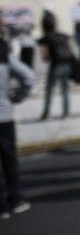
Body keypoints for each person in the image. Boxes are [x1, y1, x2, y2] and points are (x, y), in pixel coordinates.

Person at [0, 34, 34, 219]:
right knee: (9, 159)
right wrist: (16, 97)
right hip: (4, 113)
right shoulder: (4, 53)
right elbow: (28, 76)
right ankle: (16, 198)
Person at [37, 11, 76, 120]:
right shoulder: (63, 35)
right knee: (65, 90)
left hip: (55, 65)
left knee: (49, 90)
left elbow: (45, 56)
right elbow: (70, 49)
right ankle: (66, 112)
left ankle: (46, 113)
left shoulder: (45, 38)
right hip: (67, 65)